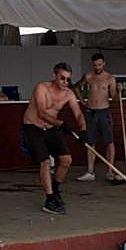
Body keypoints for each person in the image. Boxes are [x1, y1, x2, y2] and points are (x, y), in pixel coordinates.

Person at [22, 62, 86, 215]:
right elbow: (42, 113)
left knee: (66, 160)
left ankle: (55, 190)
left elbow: (78, 113)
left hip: (51, 128)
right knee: (45, 162)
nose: (65, 82)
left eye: (68, 79)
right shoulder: (41, 88)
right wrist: (61, 124)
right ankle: (49, 199)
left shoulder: (69, 93)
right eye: (62, 78)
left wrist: (83, 131)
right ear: (54, 76)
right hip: (33, 127)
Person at [76, 53, 118, 182]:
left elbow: (114, 98)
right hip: (91, 111)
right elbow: (76, 86)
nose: (97, 67)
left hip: (104, 112)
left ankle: (110, 171)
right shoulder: (88, 76)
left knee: (109, 142)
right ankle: (90, 172)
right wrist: (82, 100)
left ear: (104, 63)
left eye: (99, 64)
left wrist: (118, 91)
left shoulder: (110, 78)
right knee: (90, 143)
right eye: (95, 65)